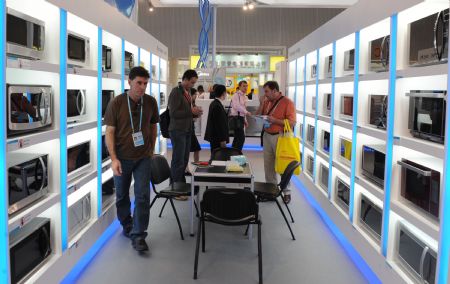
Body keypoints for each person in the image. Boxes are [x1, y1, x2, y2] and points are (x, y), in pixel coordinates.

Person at [104, 66, 159, 252]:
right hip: (122, 158)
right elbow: (109, 132)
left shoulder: (150, 102)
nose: (142, 87)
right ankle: (127, 223)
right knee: (121, 195)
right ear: (129, 82)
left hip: (143, 157)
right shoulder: (117, 103)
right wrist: (113, 159)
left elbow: (153, 127)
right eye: (139, 83)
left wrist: (151, 148)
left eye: (145, 83)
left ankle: (139, 234)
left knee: (143, 195)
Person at [256, 81, 296, 204]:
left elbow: (292, 122)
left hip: (281, 136)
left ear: (274, 90)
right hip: (267, 136)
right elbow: (258, 115)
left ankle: (287, 192)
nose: (265, 94)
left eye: (267, 91)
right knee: (268, 165)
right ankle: (271, 191)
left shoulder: (287, 102)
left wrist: (275, 120)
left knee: (282, 165)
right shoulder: (266, 101)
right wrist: (261, 103)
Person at [169, 69, 203, 183]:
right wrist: (191, 112)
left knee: (184, 159)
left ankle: (178, 184)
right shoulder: (176, 92)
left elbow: (187, 110)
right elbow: (173, 113)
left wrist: (196, 112)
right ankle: (176, 186)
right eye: (192, 82)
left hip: (187, 130)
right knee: (178, 160)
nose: (193, 85)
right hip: (178, 130)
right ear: (185, 79)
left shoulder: (187, 92)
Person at [204, 84, 229, 154]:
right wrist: (222, 139)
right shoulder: (217, 106)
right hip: (217, 138)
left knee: (215, 156)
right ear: (224, 93)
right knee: (217, 157)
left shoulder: (214, 103)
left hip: (214, 137)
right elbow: (219, 124)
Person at [230, 80, 251, 151]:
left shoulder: (244, 96)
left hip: (241, 119)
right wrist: (246, 112)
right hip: (236, 119)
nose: (245, 88)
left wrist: (245, 120)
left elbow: (242, 108)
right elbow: (237, 106)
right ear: (239, 87)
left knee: (237, 138)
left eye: (246, 86)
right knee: (241, 138)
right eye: (244, 86)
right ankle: (236, 153)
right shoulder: (236, 95)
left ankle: (233, 154)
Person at [189, 87, 201, 164]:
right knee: (196, 148)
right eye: (195, 95)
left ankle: (196, 163)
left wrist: (197, 114)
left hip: (191, 128)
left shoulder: (193, 104)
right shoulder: (188, 103)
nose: (196, 96)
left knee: (196, 148)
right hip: (188, 129)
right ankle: (195, 163)